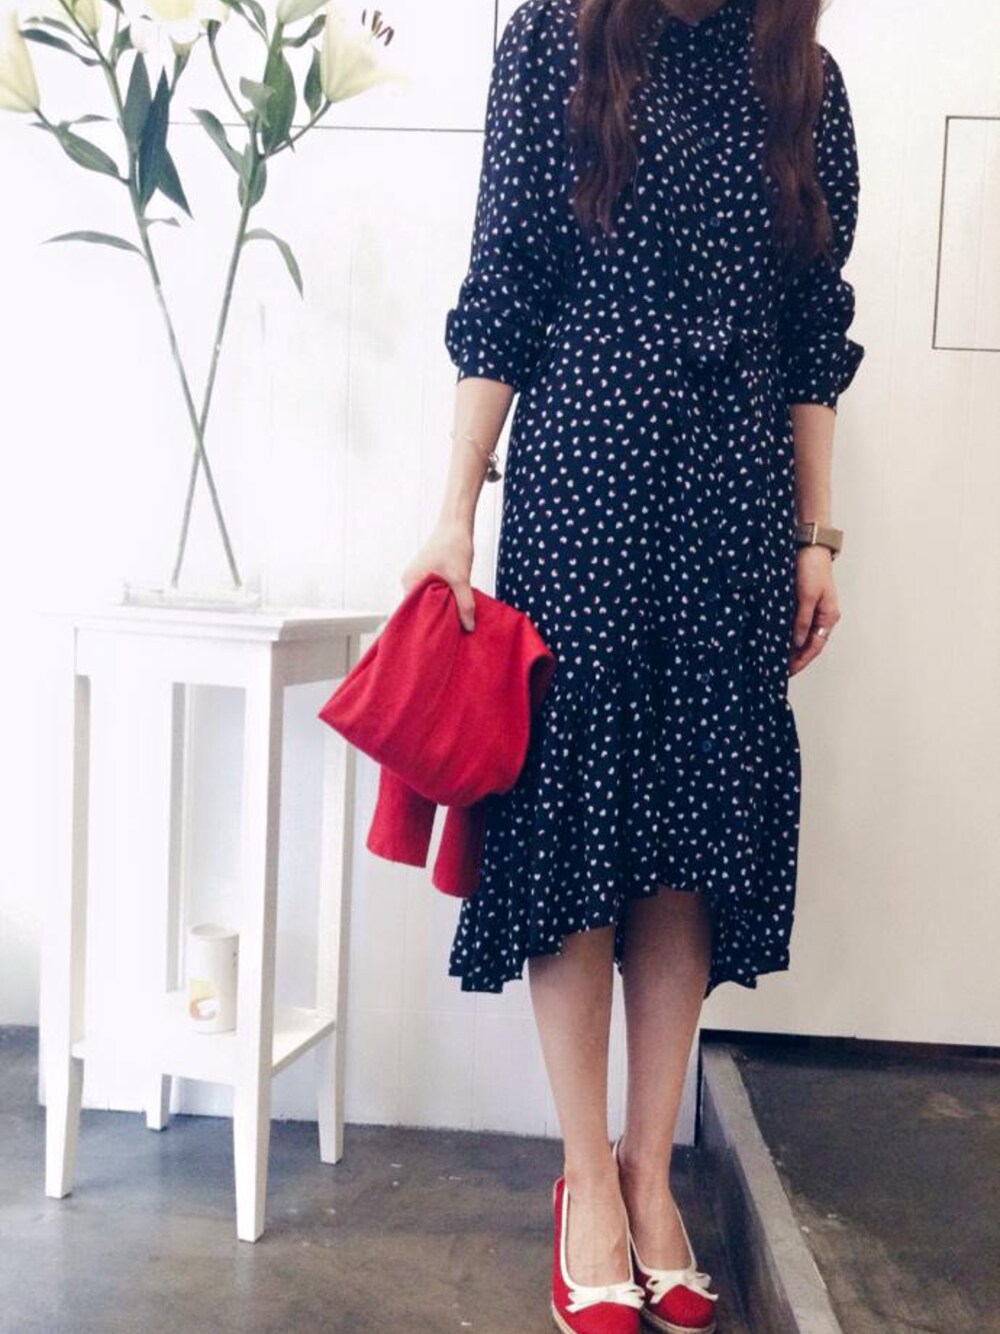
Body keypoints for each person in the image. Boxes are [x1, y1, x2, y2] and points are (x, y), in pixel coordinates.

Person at [401, 0, 864, 1329]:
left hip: (733, 499)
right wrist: (455, 508)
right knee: (574, 827)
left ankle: (650, 1172)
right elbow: (505, 286)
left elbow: (811, 328)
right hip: (584, 485)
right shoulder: (554, 43)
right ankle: (585, 1183)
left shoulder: (804, 78)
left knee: (689, 837)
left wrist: (816, 535)